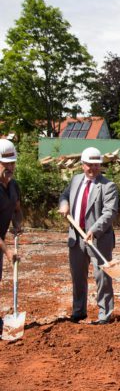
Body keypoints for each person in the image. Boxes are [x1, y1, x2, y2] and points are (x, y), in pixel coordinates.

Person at [59, 147, 118, 325]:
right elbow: (65, 195)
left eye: (95, 164)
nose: (92, 168)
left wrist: (94, 229)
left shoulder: (108, 186)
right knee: (77, 276)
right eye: (88, 165)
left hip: (98, 239)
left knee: (102, 277)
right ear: (82, 165)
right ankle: (78, 311)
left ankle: (104, 314)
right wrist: (64, 204)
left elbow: (110, 213)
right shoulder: (76, 180)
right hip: (76, 237)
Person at [0, 140, 23, 329]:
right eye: (5, 163)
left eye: (12, 163)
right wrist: (8, 251)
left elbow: (17, 208)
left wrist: (17, 223)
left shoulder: (13, 185)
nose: (9, 167)